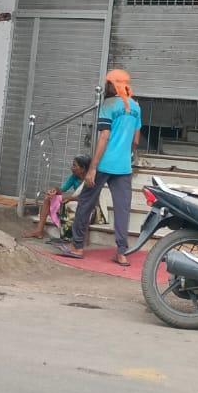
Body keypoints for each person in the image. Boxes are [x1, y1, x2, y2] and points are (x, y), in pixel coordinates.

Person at [61, 69, 143, 266]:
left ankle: (77, 247)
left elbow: (104, 137)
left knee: (85, 203)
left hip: (105, 163)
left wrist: (92, 167)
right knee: (122, 209)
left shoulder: (108, 105)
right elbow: (136, 140)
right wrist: (128, 156)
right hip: (123, 166)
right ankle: (122, 252)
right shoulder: (136, 107)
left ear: (111, 85)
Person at [33, 155, 91, 241]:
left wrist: (70, 198)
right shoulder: (74, 177)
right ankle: (39, 230)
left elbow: (89, 198)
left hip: (88, 204)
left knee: (71, 204)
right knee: (48, 198)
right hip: (75, 202)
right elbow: (62, 189)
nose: (72, 168)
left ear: (82, 169)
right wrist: (54, 190)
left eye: (74, 165)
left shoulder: (90, 179)